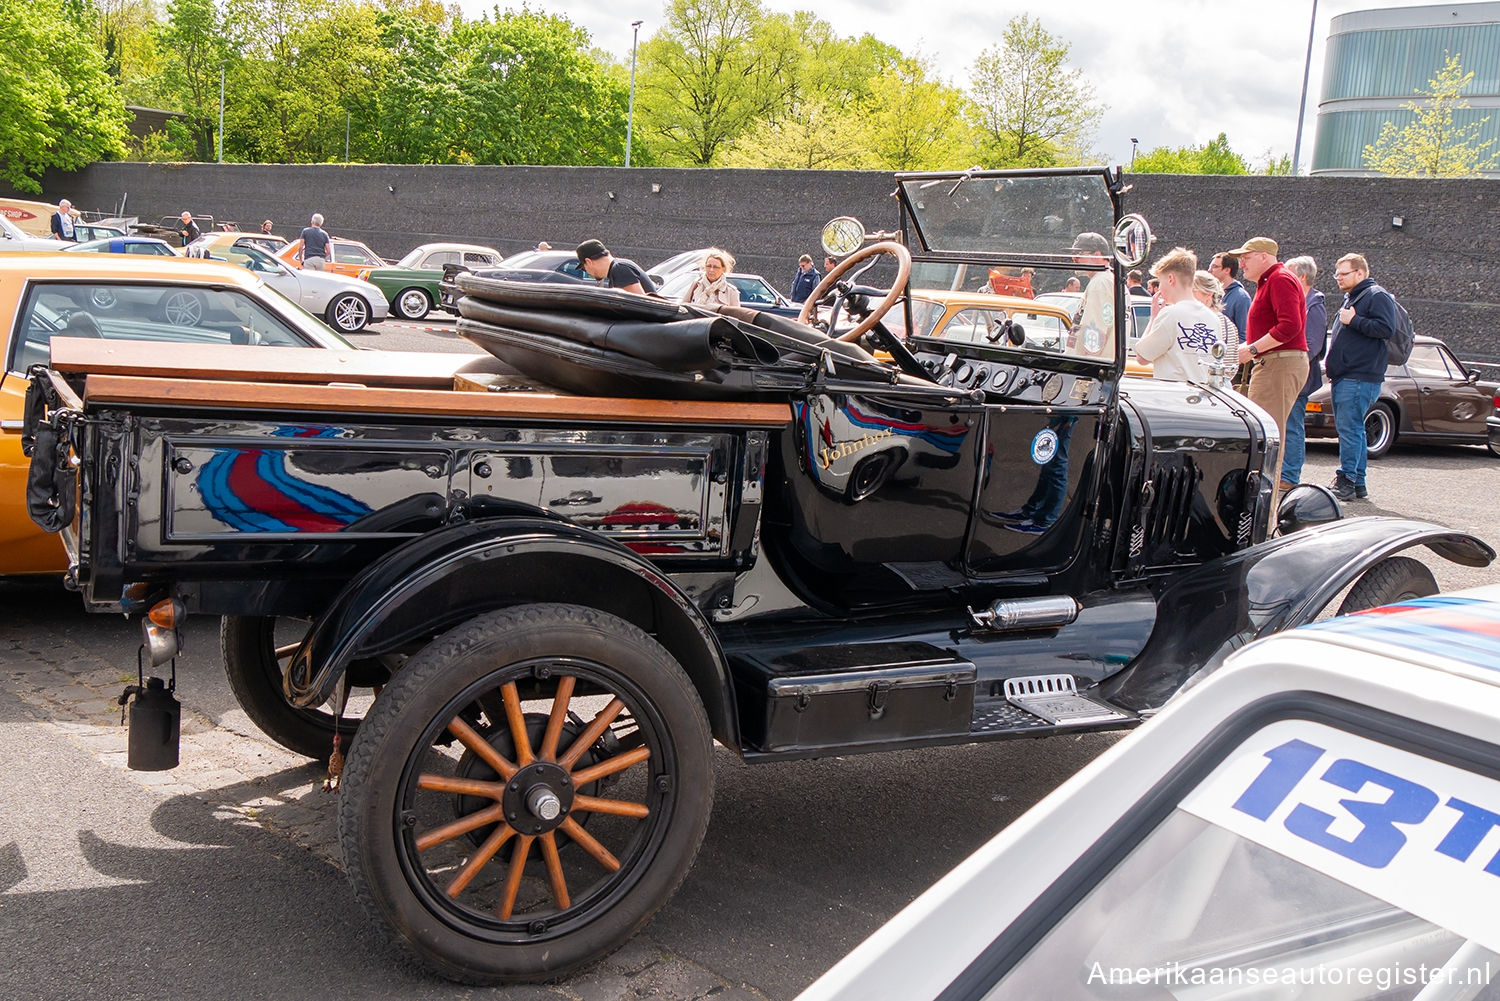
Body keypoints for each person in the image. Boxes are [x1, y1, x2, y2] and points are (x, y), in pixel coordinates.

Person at [1324, 253, 1396, 501]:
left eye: (1343, 273)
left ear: (1360, 273)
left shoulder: (1376, 295)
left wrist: (1354, 320)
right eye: (1337, 274)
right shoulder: (1355, 297)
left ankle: (1347, 481)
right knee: (1353, 429)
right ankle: (1358, 484)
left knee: (1350, 429)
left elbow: (1387, 328)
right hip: (1349, 375)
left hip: (1359, 376)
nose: (1338, 278)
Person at [1231, 237, 1309, 451]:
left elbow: (1290, 326)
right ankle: (1267, 483)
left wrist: (1252, 349)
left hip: (1279, 364)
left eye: (1246, 257)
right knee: (1265, 431)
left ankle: (1268, 484)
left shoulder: (1279, 279)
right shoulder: (1272, 280)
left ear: (1264, 256)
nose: (1242, 264)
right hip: (1275, 363)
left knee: (1267, 434)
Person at [1135, 248, 1222, 382]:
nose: (1159, 288)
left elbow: (1142, 357)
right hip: (1203, 394)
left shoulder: (1170, 314)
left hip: (1174, 395)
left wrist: (1153, 318)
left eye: (1160, 282)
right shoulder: (1213, 318)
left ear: (1171, 279)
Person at [1281, 256, 1327, 489]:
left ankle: (1289, 476)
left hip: (1298, 377)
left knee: (1293, 424)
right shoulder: (1301, 302)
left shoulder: (1314, 306)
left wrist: (1291, 364)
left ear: (1302, 277)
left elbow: (1312, 344)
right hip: (1289, 374)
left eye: (1289, 274)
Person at [1068, 231, 1114, 360]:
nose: (1074, 259)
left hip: (1092, 369)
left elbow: (1095, 334)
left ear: (1097, 255)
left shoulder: (1100, 284)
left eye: (1080, 254)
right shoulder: (1107, 281)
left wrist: (1084, 369)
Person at [576, 238, 655, 294]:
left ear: (588, 262)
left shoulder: (620, 269)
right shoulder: (616, 269)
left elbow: (639, 304)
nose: (588, 272)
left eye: (584, 268)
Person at [1191, 270, 1240, 358]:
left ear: (1209, 294)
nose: (1187, 295)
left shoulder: (1203, 321)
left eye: (1193, 290)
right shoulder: (1227, 322)